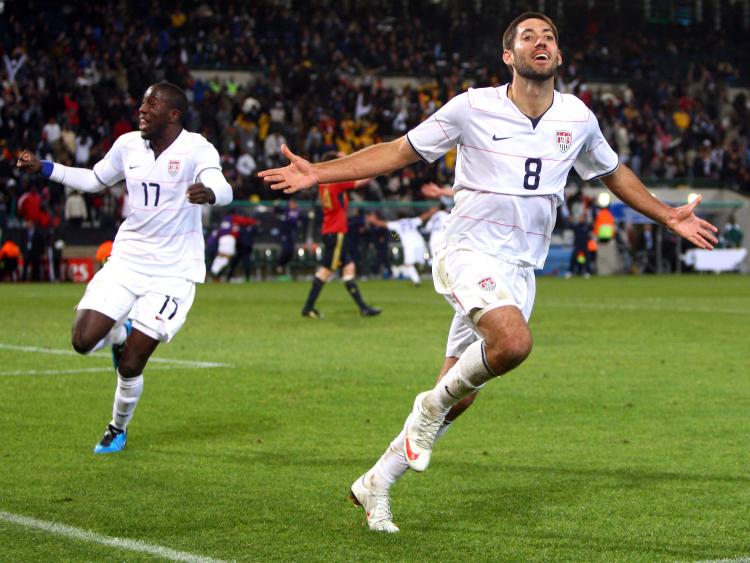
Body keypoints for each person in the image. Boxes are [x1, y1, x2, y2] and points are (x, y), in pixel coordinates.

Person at [259, 12, 717, 532]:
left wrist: (668, 213)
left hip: (521, 267)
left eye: (548, 37)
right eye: (528, 37)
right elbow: (399, 151)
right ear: (509, 56)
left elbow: (612, 173)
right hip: (468, 250)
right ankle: (427, 410)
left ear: (559, 56)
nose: (540, 43)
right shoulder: (472, 107)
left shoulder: (578, 117)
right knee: (513, 344)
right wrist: (319, 171)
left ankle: (377, 482)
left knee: (461, 392)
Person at [16, 81, 233, 454]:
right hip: (128, 258)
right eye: (142, 105)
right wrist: (45, 168)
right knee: (82, 341)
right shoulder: (127, 144)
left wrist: (211, 192)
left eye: (151, 106)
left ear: (174, 114)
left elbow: (222, 185)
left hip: (173, 271)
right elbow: (96, 180)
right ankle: (118, 334)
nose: (142, 111)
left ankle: (117, 428)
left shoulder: (196, 147)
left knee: (132, 362)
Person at [299, 152, 381, 319]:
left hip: (331, 230)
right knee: (326, 271)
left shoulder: (323, 183)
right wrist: (378, 170)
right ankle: (308, 308)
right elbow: (360, 178)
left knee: (349, 267)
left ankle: (363, 308)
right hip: (336, 232)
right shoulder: (336, 182)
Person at [366, 207, 437, 286]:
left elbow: (382, 224)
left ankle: (416, 281)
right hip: (419, 241)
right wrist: (431, 212)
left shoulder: (397, 223)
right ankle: (429, 269)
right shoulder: (412, 221)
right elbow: (422, 217)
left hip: (409, 244)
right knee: (424, 261)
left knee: (408, 264)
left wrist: (373, 220)